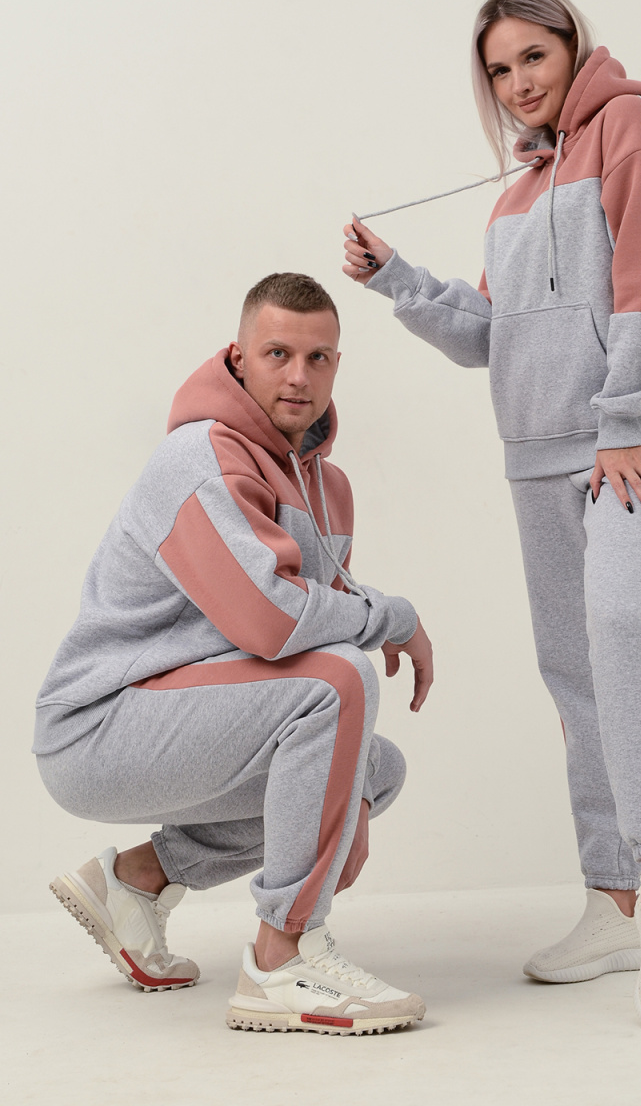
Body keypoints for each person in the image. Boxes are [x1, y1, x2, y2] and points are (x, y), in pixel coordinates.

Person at [343, 0, 641, 1032]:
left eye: (531, 57)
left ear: (571, 45)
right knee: (573, 671)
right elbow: (490, 336)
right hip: (537, 457)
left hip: (628, 445)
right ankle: (608, 900)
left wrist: (628, 418)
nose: (516, 84)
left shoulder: (632, 128)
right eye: (498, 70)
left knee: (619, 635)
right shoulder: (517, 192)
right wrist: (397, 278)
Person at [35, 272, 432, 1035]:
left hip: (179, 719)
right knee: (338, 682)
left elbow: (310, 626)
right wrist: (393, 618)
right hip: (97, 726)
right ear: (239, 358)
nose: (298, 375)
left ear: (337, 367)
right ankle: (283, 959)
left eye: (317, 358)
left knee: (373, 768)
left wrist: (338, 807)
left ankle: (136, 881)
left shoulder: (328, 487)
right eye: (278, 353)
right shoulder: (201, 458)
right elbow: (272, 625)